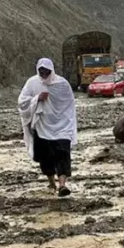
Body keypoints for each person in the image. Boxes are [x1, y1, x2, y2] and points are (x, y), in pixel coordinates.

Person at [18, 58, 78, 197]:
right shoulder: (32, 83)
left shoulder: (62, 84)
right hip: (41, 126)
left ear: (52, 70)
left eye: (47, 71)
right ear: (38, 70)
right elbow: (22, 102)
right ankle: (51, 182)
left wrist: (67, 122)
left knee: (63, 154)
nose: (44, 74)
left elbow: (69, 104)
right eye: (41, 71)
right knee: (45, 158)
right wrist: (37, 98)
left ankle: (62, 185)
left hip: (61, 126)